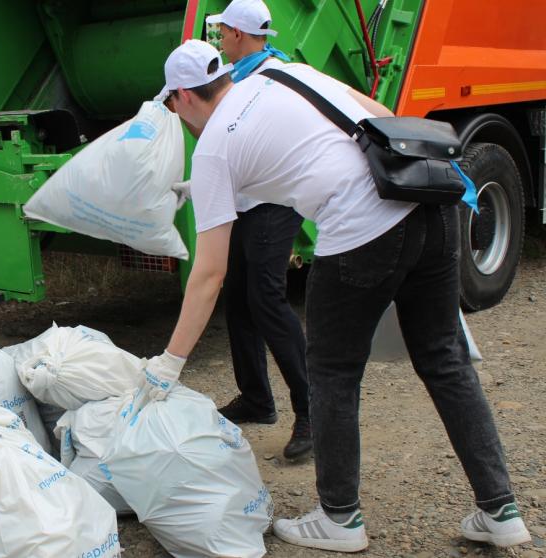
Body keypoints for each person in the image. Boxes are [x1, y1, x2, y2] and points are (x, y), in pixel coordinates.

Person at [143, 39, 531, 552]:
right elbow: (377, 117)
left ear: (184, 97)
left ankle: (340, 518)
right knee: (445, 360)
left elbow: (209, 274)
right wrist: (210, 186)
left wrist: (170, 362)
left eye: (173, 105)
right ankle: (500, 509)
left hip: (362, 232)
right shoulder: (285, 74)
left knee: (331, 370)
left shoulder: (215, 145)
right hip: (426, 204)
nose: (177, 115)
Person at [208, 0, 311, 460]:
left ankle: (313, 412)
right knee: (239, 297)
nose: (218, 38)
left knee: (267, 300)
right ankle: (256, 399)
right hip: (248, 202)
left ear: (237, 34)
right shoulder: (244, 75)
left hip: (275, 202)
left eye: (222, 31)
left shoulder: (272, 78)